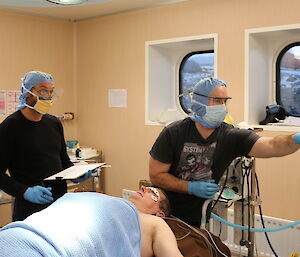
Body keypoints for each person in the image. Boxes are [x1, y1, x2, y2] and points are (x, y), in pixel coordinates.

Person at [149, 77, 300, 226]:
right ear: (199, 102)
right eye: (217, 101)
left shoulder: (230, 136)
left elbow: (273, 146)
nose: (223, 106)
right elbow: (156, 175)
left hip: (195, 216)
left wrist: (295, 139)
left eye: (225, 101)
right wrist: (190, 187)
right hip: (161, 212)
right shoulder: (174, 132)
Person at [0, 71, 91, 222]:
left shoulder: (54, 123)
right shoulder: (10, 127)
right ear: (27, 92)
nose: (48, 96)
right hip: (29, 208)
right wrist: (25, 192)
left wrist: (78, 173)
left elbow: (64, 162)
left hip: (59, 204)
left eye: (51, 92)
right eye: (42, 90)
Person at [0, 188, 183, 257]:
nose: (144, 188)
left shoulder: (156, 223)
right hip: (23, 233)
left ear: (160, 213)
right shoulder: (111, 201)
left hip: (52, 249)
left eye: (154, 192)